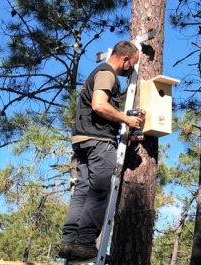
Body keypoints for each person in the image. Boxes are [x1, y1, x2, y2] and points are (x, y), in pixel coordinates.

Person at [58, 40, 145, 261]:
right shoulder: (107, 73)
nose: (131, 69)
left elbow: (99, 104)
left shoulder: (96, 74)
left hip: (82, 139)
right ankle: (85, 244)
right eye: (132, 64)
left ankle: (68, 244)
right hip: (99, 141)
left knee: (82, 191)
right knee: (98, 192)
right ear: (125, 59)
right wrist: (126, 119)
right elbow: (99, 104)